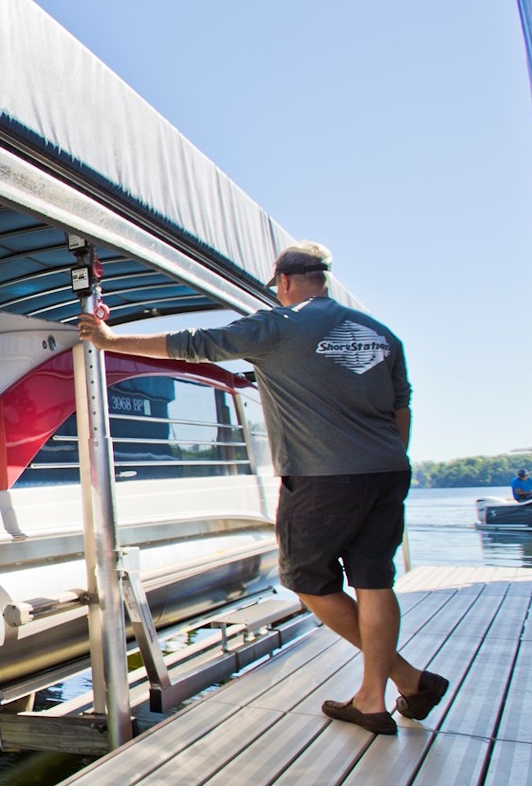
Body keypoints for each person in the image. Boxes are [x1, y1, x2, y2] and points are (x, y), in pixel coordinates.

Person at [77, 241, 445, 735]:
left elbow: (194, 343)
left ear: (285, 282)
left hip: (321, 477)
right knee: (375, 581)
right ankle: (379, 696)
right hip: (387, 471)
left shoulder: (279, 325)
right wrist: (388, 458)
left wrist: (108, 340)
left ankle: (399, 683)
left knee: (308, 583)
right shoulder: (381, 335)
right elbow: (402, 407)